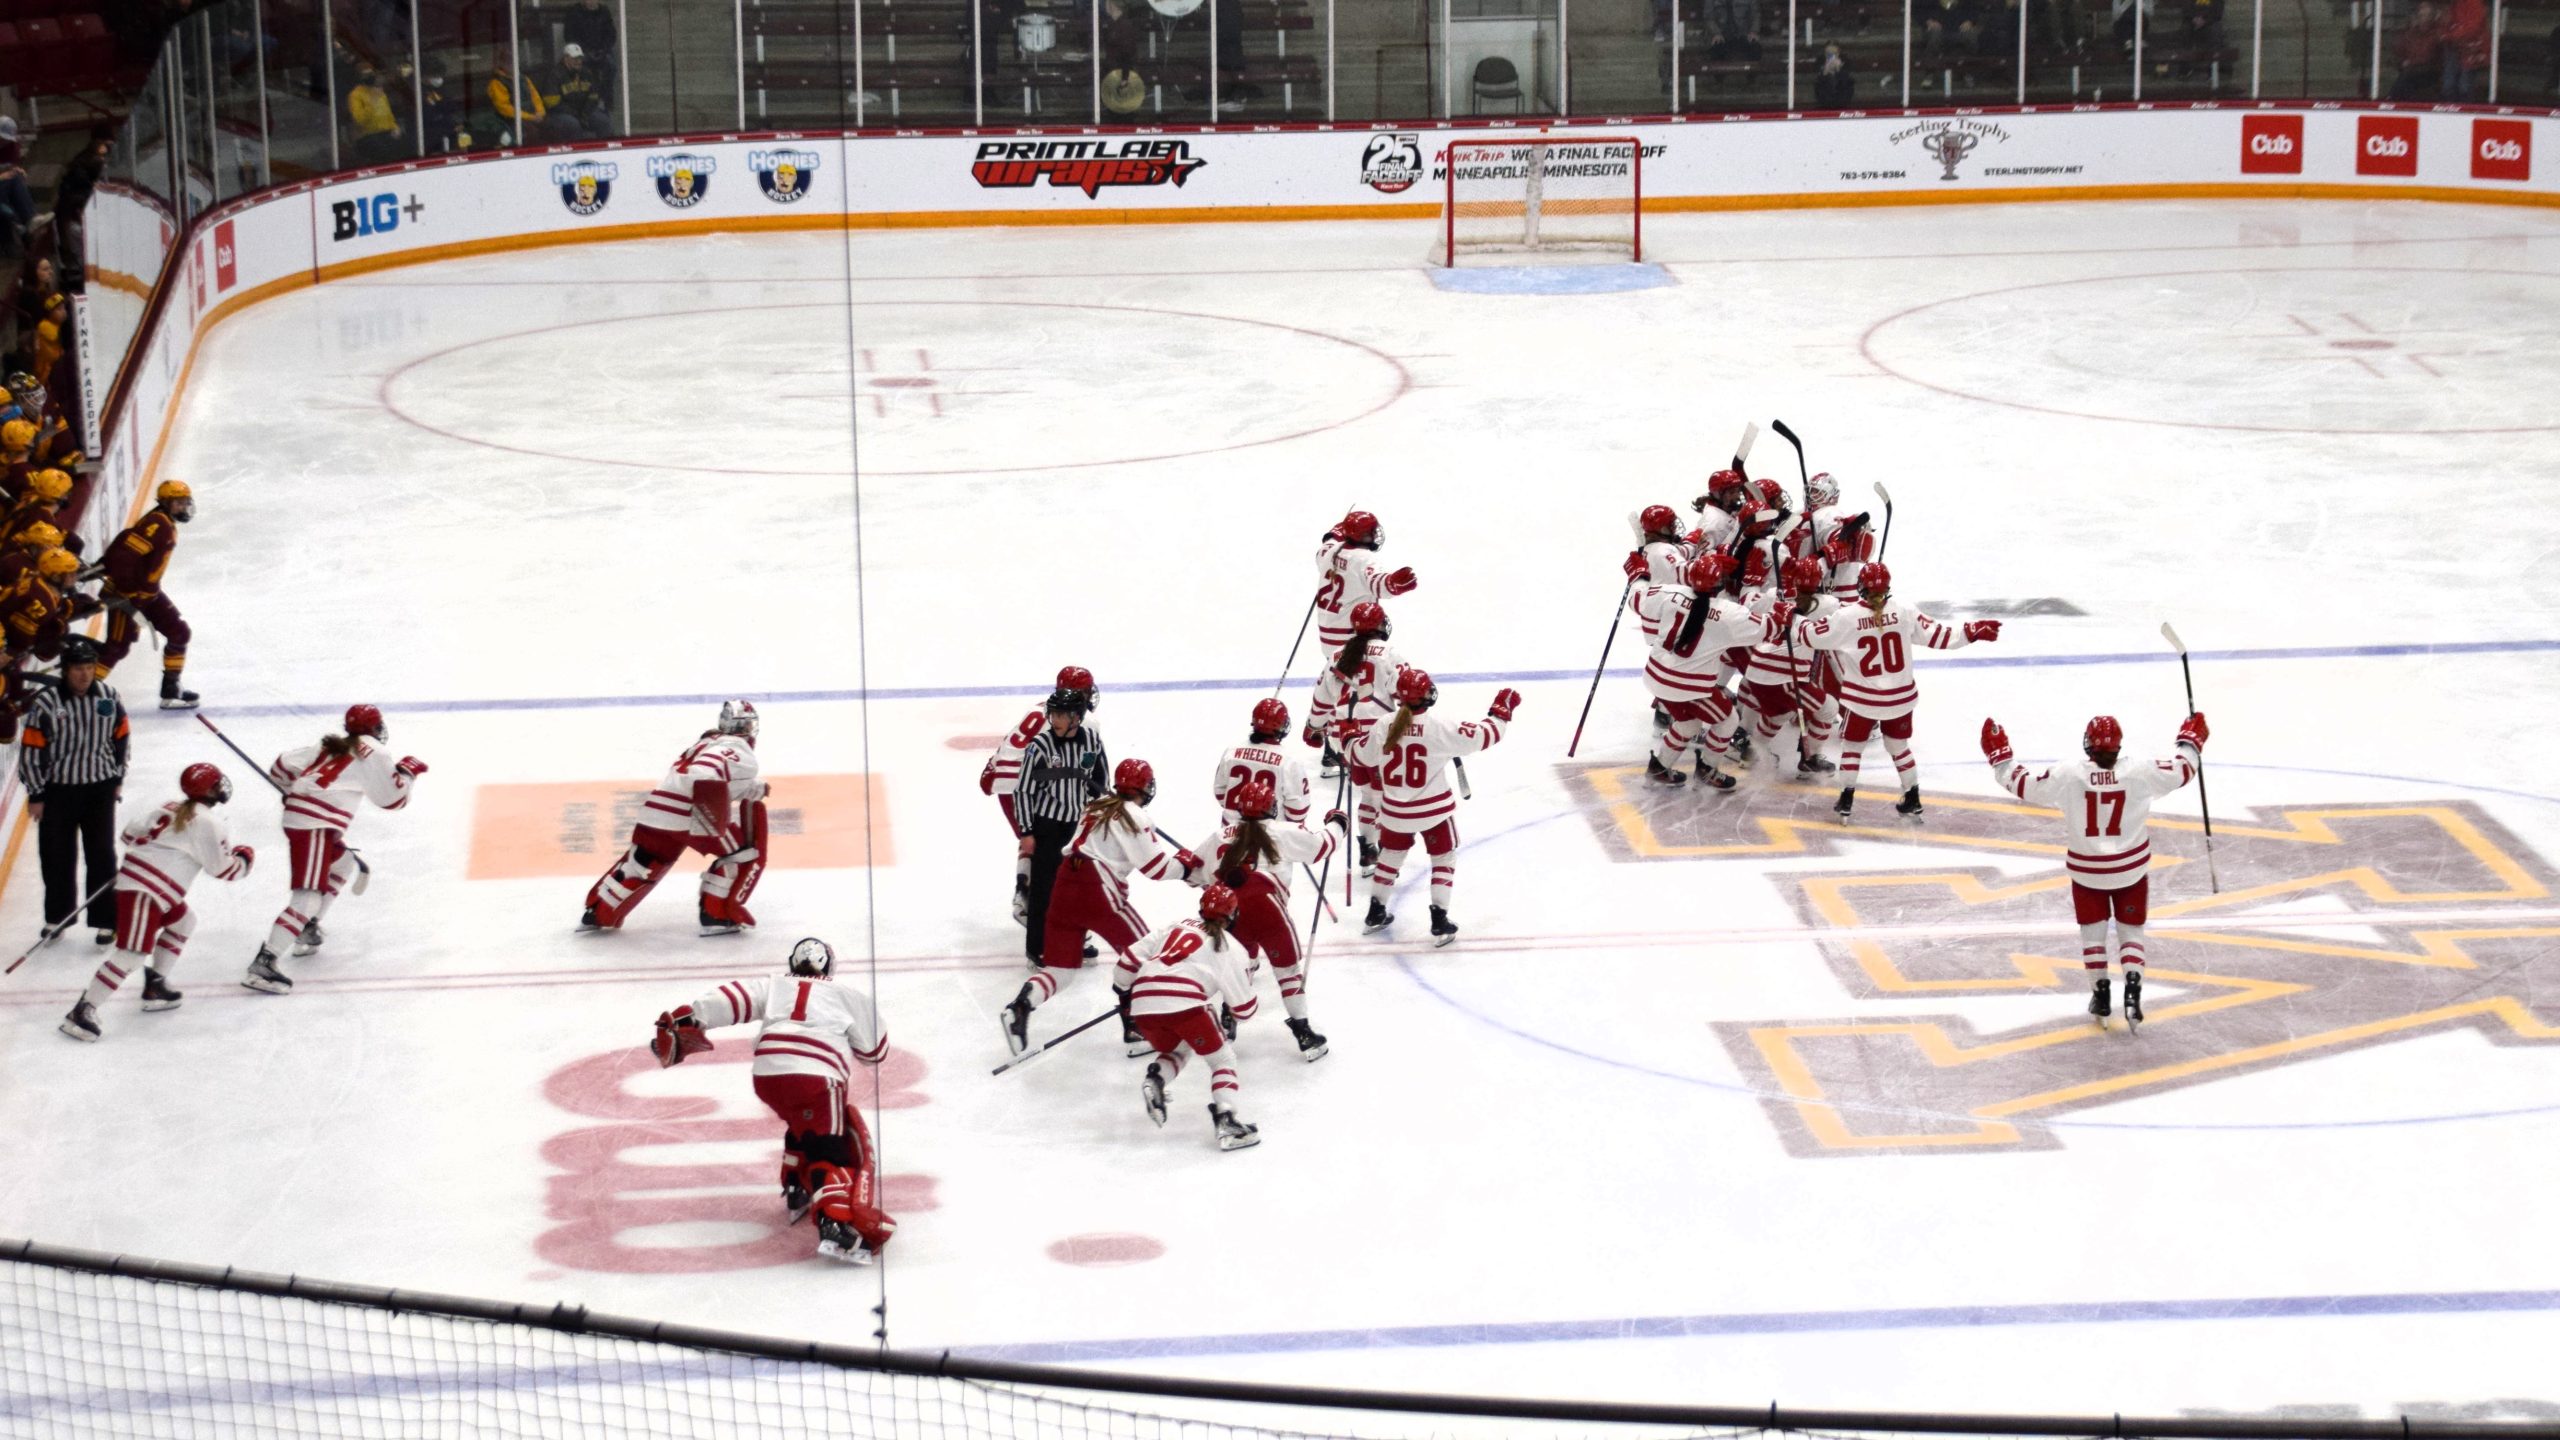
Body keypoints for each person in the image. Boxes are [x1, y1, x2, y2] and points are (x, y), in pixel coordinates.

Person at [652, 937, 895, 1263]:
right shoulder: (848, 996)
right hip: (817, 1077)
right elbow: (874, 1052)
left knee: (802, 1122)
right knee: (831, 1147)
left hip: (768, 1075)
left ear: (792, 965)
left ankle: (796, 1185)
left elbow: (732, 998)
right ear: (830, 968)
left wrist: (691, 1018)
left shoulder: (775, 985)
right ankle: (834, 1223)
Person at [1981, 712, 2207, 1027]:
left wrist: (1999, 755)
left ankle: (2100, 992)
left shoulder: (2069, 774)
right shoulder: (2140, 772)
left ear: (2089, 744)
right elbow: (2184, 769)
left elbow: (2023, 784)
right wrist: (2190, 740)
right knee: (2131, 933)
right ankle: (2132, 985)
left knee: (2093, 936)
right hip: (2130, 869)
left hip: (2088, 872)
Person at [1000, 758, 1203, 1057]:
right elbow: (1156, 867)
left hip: (1064, 883)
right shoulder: (1135, 816)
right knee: (1144, 956)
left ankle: (1020, 1007)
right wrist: (1186, 867)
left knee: (1060, 970)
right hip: (1097, 889)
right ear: (1146, 788)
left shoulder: (1096, 806)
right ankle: (1134, 1028)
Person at [58, 763, 254, 1042]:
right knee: (132, 954)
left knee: (185, 922)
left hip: (150, 888)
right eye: (216, 784)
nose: (221, 787)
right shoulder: (209, 823)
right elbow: (223, 869)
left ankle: (156, 985)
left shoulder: (169, 806)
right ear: (207, 791)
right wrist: (244, 858)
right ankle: (83, 1010)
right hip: (148, 892)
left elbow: (128, 835)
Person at [1792, 562, 1999, 822]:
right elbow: (1939, 636)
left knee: (1852, 749)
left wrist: (1793, 617)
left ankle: (1846, 799)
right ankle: (1912, 797)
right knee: (1899, 747)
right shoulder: (1904, 610)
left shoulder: (1847, 617)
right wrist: (1971, 632)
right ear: (1887, 587)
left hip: (1863, 701)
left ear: (1860, 587)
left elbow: (1811, 637)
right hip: (1900, 699)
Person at [244, 704, 429, 994]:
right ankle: (264, 963)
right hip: (315, 825)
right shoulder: (375, 752)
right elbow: (392, 800)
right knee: (306, 897)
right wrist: (407, 773)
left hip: (307, 820)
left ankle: (308, 928)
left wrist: (294, 791)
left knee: (342, 864)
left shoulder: (329, 742)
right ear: (375, 727)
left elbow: (281, 766)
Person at [1347, 669, 1517, 947]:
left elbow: (1360, 754)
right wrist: (1501, 710)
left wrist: (1349, 737)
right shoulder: (1439, 725)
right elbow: (1484, 736)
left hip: (1394, 812)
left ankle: (1375, 912)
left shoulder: (1384, 724)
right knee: (1444, 859)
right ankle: (1439, 919)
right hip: (1434, 812)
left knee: (1390, 856)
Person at [1189, 777, 1341, 1059]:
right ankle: (1303, 1031)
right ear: (1271, 807)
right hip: (1267, 906)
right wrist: (1337, 822)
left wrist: (1198, 872)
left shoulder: (1219, 835)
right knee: (1287, 971)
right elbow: (1322, 847)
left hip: (1229, 909)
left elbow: (1194, 874)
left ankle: (1227, 1016)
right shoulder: (1281, 830)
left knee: (1237, 963)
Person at [582, 700, 764, 935]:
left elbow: (710, 781)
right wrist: (751, 789)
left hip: (655, 810)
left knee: (641, 863)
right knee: (742, 853)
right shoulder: (737, 749)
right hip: (689, 814)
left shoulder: (705, 743)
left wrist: (752, 788)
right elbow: (704, 776)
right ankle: (717, 914)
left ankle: (599, 912)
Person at [1116, 885, 1262, 1149]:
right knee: (1222, 1059)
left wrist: (1127, 995)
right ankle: (1227, 1119)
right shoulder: (1230, 946)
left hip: (1143, 1003)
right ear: (1233, 915)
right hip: (1187, 1003)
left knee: (1180, 1048)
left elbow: (1126, 964)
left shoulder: (1176, 925)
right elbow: (1244, 1010)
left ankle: (1156, 1079)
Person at [1629, 551, 1776, 790]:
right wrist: (1783, 602)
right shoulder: (1727, 613)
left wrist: (1639, 575)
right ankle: (1708, 769)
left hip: (1655, 678)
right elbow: (1767, 628)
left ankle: (1660, 767)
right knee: (1728, 721)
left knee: (1689, 724)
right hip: (1688, 687)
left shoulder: (1669, 593)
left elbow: (1637, 599)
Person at [20, 636, 131, 945]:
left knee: (102, 856)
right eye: (77, 668)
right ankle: (58, 918)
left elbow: (121, 738)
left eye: (89, 667)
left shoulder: (108, 696)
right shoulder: (46, 702)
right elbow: (31, 749)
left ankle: (106, 920)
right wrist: (36, 794)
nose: (84, 674)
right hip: (58, 793)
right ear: (65, 670)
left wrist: (118, 776)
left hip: (99, 790)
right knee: (56, 857)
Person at [979, 665, 1097, 925]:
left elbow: (1010, 748)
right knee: (1054, 845)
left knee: (1032, 840)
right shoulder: (1084, 720)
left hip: (1006, 785)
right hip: (1028, 786)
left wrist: (993, 769)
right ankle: (1043, 912)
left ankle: (1025, 896)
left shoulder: (1040, 708)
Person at [1009, 677, 1109, 968]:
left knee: (1077, 889)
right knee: (1043, 890)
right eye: (1053, 715)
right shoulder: (1039, 746)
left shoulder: (1091, 740)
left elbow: (1100, 777)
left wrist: (1099, 805)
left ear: (1077, 717)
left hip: (1076, 828)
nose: (1055, 720)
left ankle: (1075, 941)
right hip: (1048, 828)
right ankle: (1037, 948)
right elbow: (1024, 790)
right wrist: (1027, 831)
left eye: (1061, 715)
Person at [1309, 510, 1416, 772]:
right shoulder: (1364, 558)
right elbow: (1379, 584)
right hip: (1355, 634)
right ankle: (1346, 748)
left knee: (1337, 686)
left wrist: (1337, 531)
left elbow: (1327, 540)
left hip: (1328, 633)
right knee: (1358, 690)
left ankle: (1333, 747)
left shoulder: (1328, 551)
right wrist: (1393, 583)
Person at [1303, 601, 1404, 869]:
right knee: (1383, 795)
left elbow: (1322, 698)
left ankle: (1367, 847)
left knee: (1367, 793)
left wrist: (1314, 726)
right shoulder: (1389, 653)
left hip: (1344, 737)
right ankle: (1380, 849)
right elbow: (1405, 691)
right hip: (1379, 736)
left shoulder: (1337, 655)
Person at [99, 478, 199, 709]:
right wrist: (129, 593)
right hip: (125, 596)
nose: (184, 507)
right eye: (179, 503)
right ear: (166, 503)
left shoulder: (163, 522)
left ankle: (171, 688)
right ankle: (80, 695)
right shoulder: (157, 525)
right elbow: (123, 557)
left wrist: (141, 593)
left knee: (179, 632)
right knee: (116, 648)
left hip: (146, 595)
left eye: (186, 502)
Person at [1738, 554, 1838, 776]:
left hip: (1755, 672)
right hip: (1785, 678)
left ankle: (1751, 753)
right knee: (1829, 709)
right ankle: (1811, 758)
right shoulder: (1827, 604)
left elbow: (1747, 604)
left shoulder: (1774, 594)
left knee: (1779, 713)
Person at [1211, 697, 1311, 826]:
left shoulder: (1231, 751)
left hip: (1229, 834)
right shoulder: (1290, 761)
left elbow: (1220, 792)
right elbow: (1298, 811)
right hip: (1271, 838)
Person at [548, 44, 613, 140]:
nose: (578, 61)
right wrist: (575, 113)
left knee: (603, 121)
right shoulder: (555, 75)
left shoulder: (587, 73)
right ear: (566, 58)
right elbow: (552, 103)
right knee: (572, 124)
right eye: (575, 59)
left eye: (580, 58)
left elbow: (593, 97)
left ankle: (602, 151)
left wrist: (584, 114)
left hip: (584, 112)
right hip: (560, 114)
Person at [347, 68, 404, 164]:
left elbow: (387, 115)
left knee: (405, 147)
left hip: (386, 132)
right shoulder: (355, 95)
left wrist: (395, 127)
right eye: (366, 75)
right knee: (387, 154)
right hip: (367, 136)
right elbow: (360, 120)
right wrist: (372, 101)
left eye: (372, 74)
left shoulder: (379, 92)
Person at [488, 62, 548, 144]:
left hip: (533, 116)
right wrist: (531, 117)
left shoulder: (524, 79)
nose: (512, 65)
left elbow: (535, 97)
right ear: (501, 65)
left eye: (513, 62)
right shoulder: (496, 83)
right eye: (508, 62)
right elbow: (505, 109)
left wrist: (540, 113)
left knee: (554, 126)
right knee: (531, 132)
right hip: (511, 120)